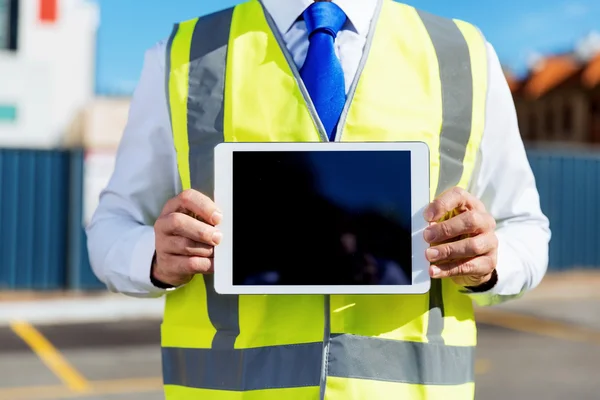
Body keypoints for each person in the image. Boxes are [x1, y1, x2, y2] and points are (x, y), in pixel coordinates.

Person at [86, 0, 551, 399]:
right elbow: (112, 224)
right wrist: (152, 255)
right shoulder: (180, 56)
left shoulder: (464, 55)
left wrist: (490, 261)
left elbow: (526, 230)